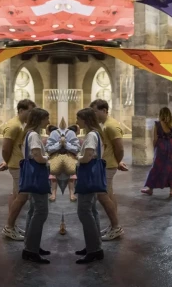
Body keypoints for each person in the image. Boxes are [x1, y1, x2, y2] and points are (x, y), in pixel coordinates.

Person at [0, 99, 37, 241]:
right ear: (21, 110)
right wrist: (8, 162)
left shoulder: (20, 125)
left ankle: (12, 225)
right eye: (29, 111)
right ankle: (9, 227)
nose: (30, 114)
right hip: (17, 165)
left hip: (18, 164)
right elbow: (5, 148)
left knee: (16, 195)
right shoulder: (14, 126)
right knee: (22, 196)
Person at [89, 99, 125, 241]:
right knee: (109, 194)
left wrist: (116, 162)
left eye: (95, 111)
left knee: (103, 195)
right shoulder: (105, 125)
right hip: (106, 164)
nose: (94, 114)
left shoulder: (111, 126)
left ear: (104, 110)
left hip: (108, 165)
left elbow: (120, 148)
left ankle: (116, 227)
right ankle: (113, 225)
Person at [20, 108, 51, 264]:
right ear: (39, 119)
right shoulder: (33, 136)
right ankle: (31, 250)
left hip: (33, 177)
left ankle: (31, 245)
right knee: (41, 211)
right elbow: (38, 157)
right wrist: (48, 158)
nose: (49, 122)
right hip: (37, 176)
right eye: (47, 118)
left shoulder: (30, 134)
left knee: (33, 211)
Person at [74, 108, 105, 264]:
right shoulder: (95, 134)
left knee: (84, 211)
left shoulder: (92, 135)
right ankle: (94, 245)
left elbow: (87, 157)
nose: (76, 122)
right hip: (92, 177)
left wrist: (77, 157)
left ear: (85, 120)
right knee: (91, 211)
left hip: (88, 176)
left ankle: (94, 250)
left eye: (78, 118)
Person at [141, 107, 172, 198]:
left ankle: (150, 189)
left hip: (161, 146)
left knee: (156, 167)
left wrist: (154, 148)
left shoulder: (157, 124)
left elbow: (155, 139)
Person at [46, 121, 80, 203]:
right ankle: (53, 193)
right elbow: (48, 149)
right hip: (55, 157)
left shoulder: (71, 134)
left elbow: (76, 149)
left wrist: (65, 144)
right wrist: (59, 144)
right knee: (53, 176)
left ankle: (71, 193)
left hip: (70, 157)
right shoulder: (54, 133)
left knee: (71, 177)